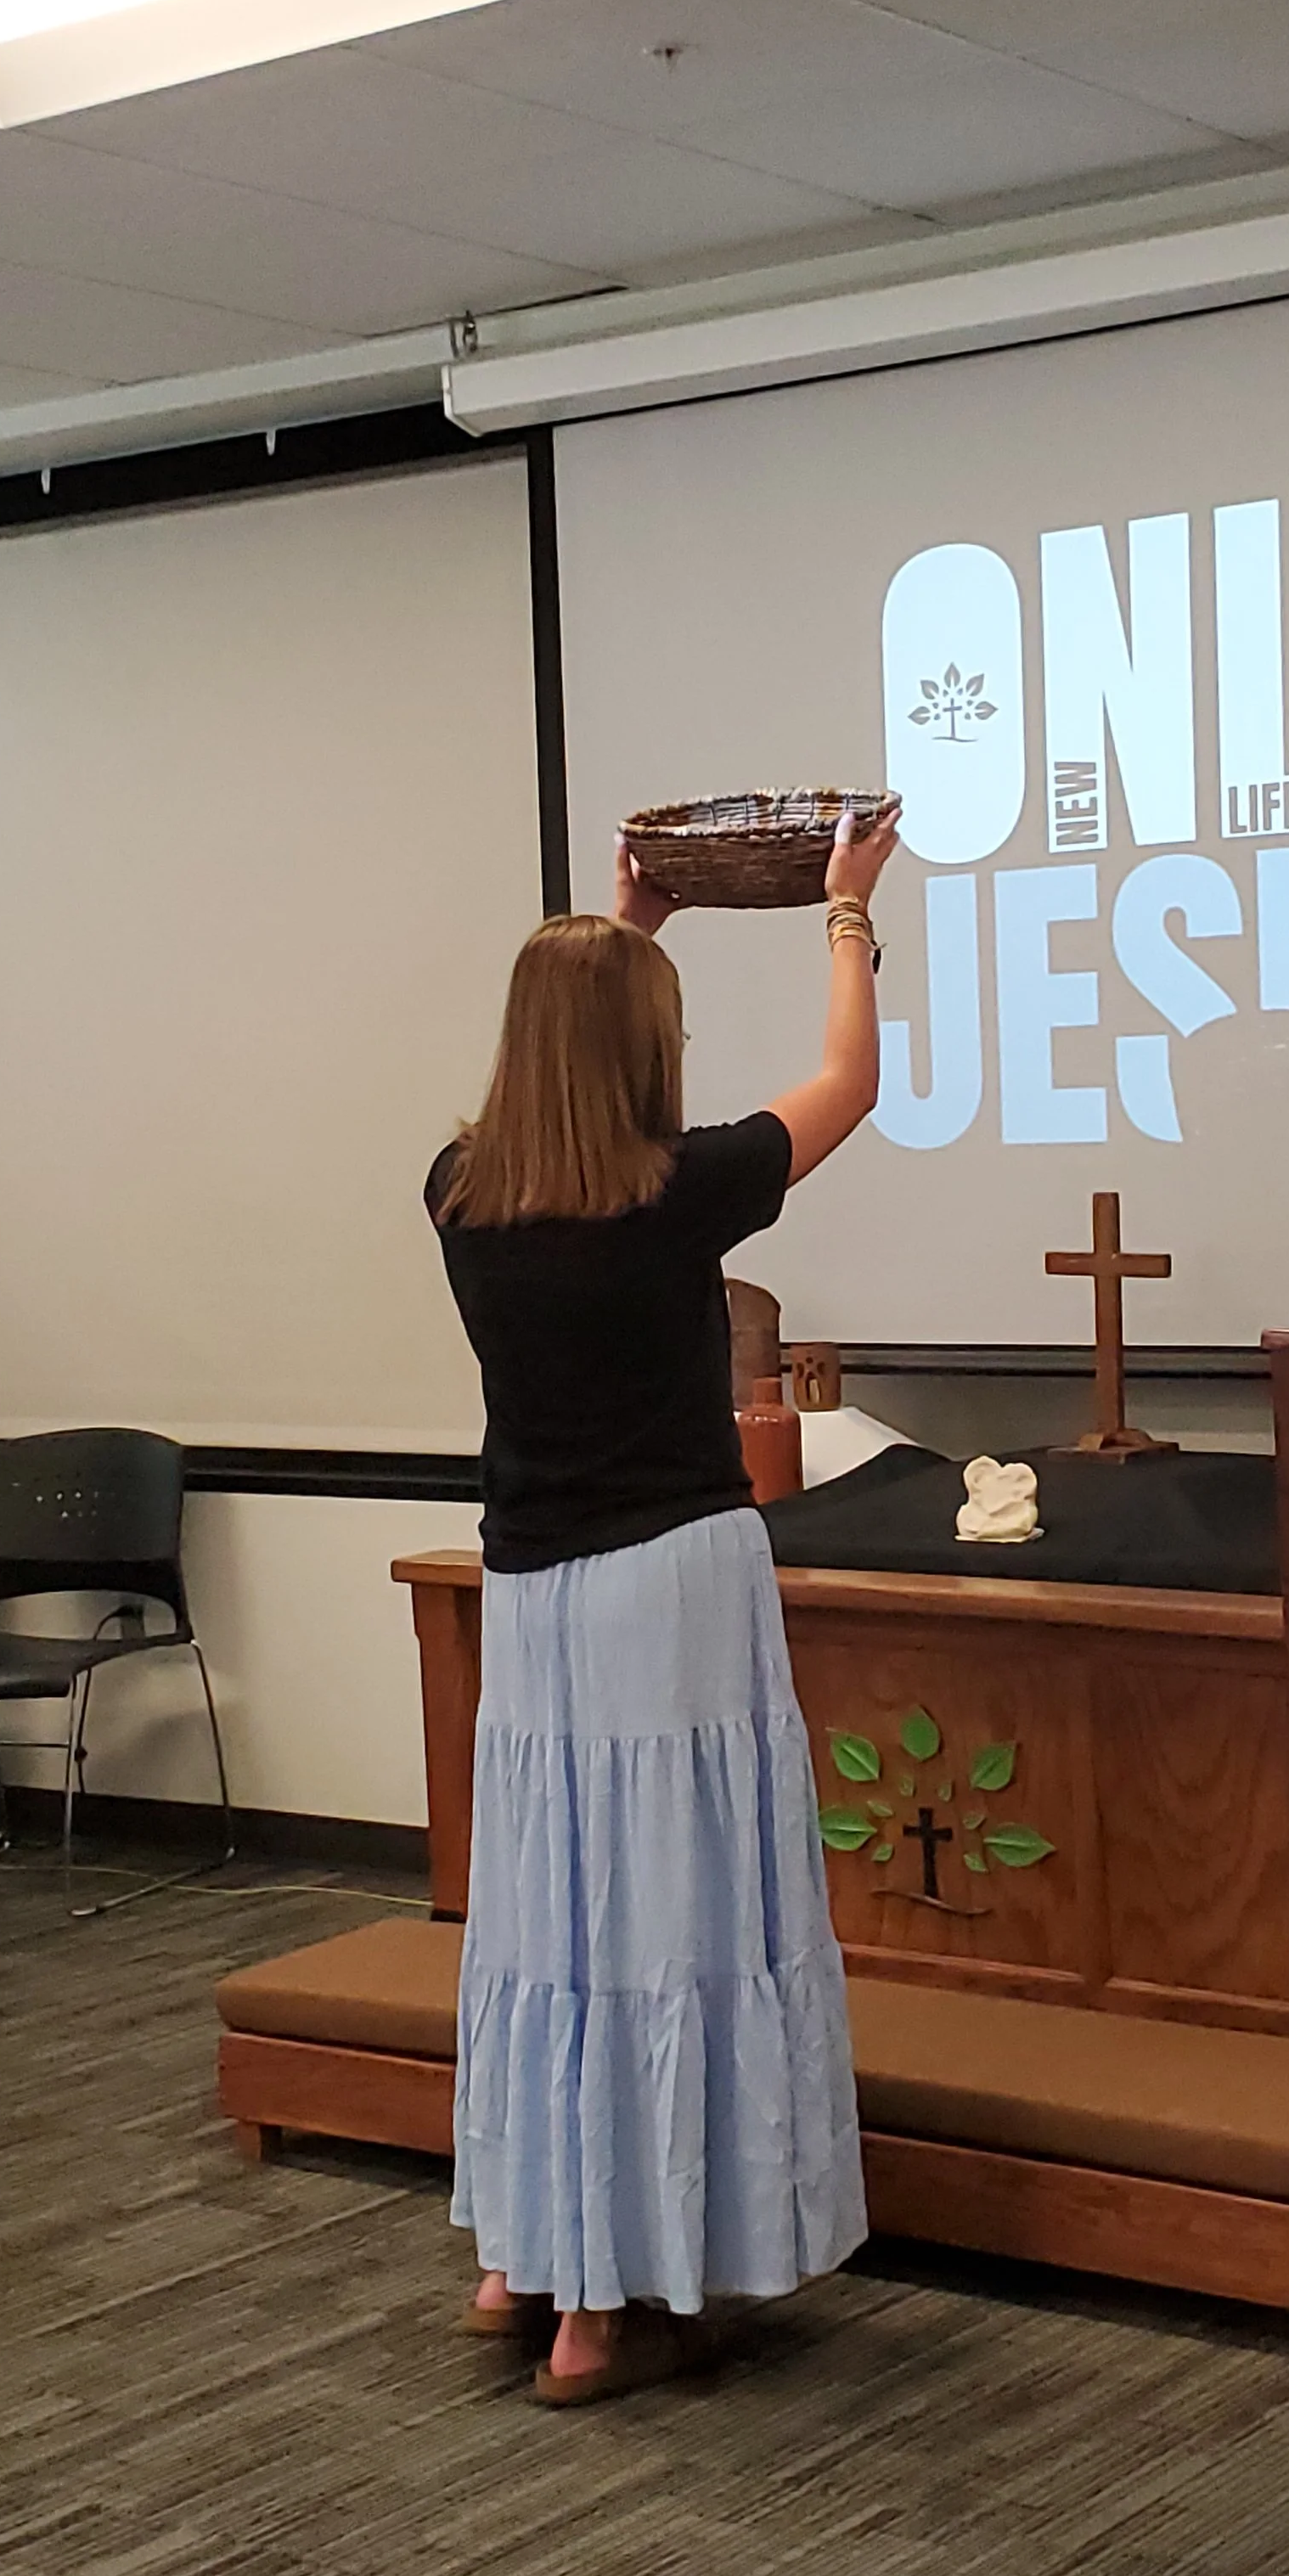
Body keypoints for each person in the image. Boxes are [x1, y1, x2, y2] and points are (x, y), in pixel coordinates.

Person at [426, 802, 902, 2403]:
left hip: (536, 1600)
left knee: (557, 1913)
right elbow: (850, 1085)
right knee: (669, 1915)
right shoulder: (678, 1190)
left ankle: (531, 2259)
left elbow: (570, 1064)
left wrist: (624, 925)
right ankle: (618, 2294)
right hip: (674, 1586)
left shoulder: (458, 1192)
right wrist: (845, 911)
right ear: (645, 1043)